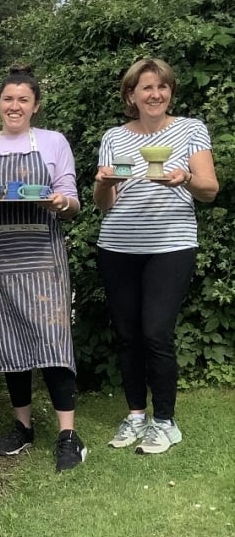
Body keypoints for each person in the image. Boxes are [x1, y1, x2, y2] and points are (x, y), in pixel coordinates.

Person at [0, 65, 86, 473]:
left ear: (35, 106)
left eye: (23, 100)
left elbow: (72, 201)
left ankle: (68, 436)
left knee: (53, 340)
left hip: (41, 260)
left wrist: (59, 204)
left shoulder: (52, 143)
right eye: (8, 99)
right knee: (10, 344)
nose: (15, 106)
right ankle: (22, 426)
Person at [93, 57, 218, 454]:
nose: (155, 94)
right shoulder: (114, 137)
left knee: (156, 334)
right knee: (128, 336)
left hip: (171, 246)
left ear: (170, 93)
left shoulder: (190, 130)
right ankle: (135, 416)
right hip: (117, 246)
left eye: (162, 87)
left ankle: (165, 422)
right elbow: (104, 204)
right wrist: (103, 182)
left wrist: (187, 178)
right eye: (146, 87)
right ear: (131, 95)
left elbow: (210, 189)